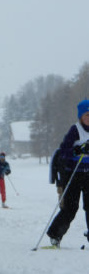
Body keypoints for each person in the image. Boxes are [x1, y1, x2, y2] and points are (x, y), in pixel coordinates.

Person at [47, 100, 89, 247]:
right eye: (87, 115)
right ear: (81, 116)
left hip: (88, 174)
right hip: (74, 174)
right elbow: (64, 150)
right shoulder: (75, 130)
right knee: (71, 208)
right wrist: (77, 150)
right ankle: (55, 235)